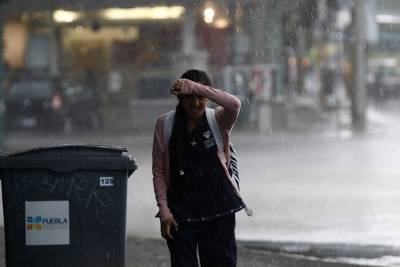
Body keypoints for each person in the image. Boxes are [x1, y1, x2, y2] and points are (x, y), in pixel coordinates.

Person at [152, 69, 249, 267]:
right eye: (189, 97)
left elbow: (234, 104)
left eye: (201, 97)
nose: (196, 103)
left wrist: (195, 87)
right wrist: (164, 211)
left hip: (218, 210)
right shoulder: (165, 124)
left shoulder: (218, 119)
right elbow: (159, 172)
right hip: (180, 213)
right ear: (180, 97)